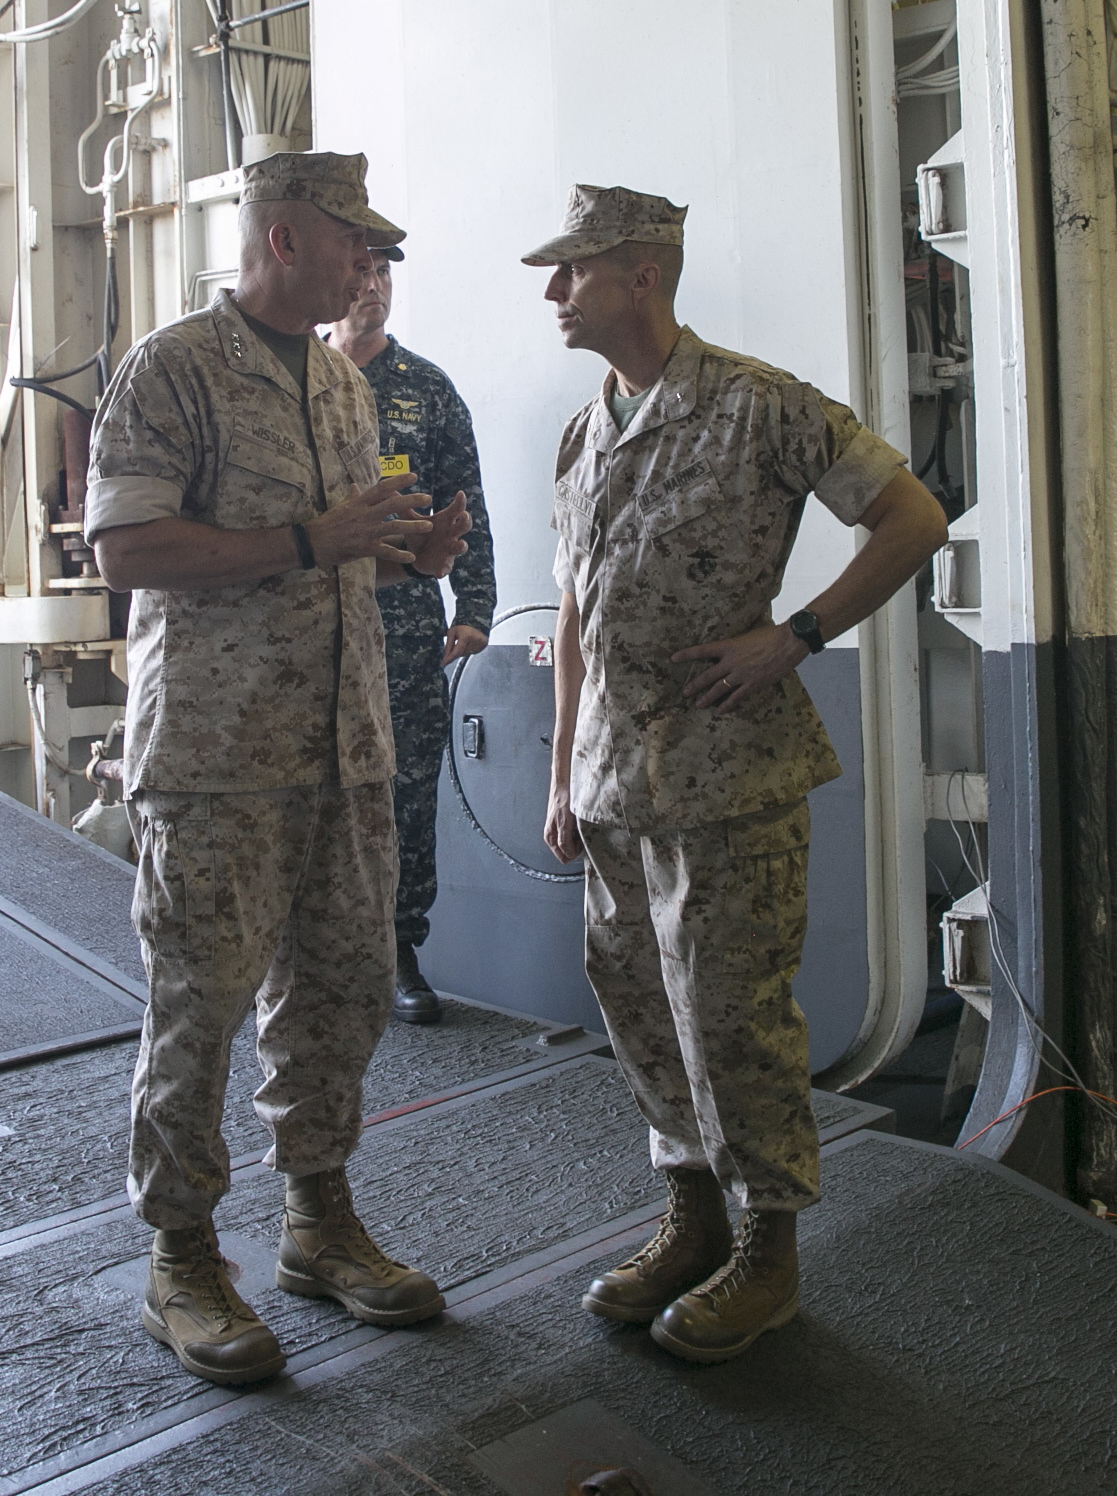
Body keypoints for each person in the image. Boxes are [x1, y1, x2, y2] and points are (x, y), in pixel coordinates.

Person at [527, 184, 947, 1365]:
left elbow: (914, 519)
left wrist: (796, 636)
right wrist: (559, 768)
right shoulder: (584, 427)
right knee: (645, 1012)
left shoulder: (760, 405)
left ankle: (770, 1248)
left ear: (644, 275)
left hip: (729, 774)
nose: (554, 294)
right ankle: (694, 1214)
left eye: (574, 271)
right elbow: (570, 610)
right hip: (611, 783)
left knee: (732, 1016)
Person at [84, 152, 472, 1388]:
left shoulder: (345, 388)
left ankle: (318, 1222)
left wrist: (409, 557)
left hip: (345, 750)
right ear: (287, 236)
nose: (372, 264)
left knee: (340, 991)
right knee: (199, 1003)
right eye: (356, 241)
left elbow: (346, 552)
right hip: (215, 754)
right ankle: (184, 1258)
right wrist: (312, 537)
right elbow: (129, 551)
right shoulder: (172, 368)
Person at [327, 250, 496, 1024]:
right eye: (359, 272)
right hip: (307, 624)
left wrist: (474, 608)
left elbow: (468, 505)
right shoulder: (298, 383)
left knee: (404, 789)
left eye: (384, 275)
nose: (373, 288)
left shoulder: (426, 389)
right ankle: (320, 956)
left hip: (402, 622)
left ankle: (399, 952)